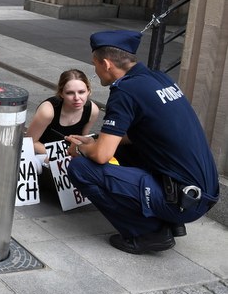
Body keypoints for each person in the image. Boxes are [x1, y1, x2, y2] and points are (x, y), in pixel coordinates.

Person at [66, 30, 219, 255]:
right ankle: (168, 220)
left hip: (183, 200)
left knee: (81, 168)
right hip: (201, 191)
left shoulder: (124, 91)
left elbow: (101, 155)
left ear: (106, 64)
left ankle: (148, 233)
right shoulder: (159, 78)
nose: (95, 71)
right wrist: (95, 140)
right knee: (124, 147)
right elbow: (142, 134)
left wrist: (80, 148)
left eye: (95, 64)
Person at [26, 69, 100, 156]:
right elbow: (30, 142)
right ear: (61, 93)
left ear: (88, 91)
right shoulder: (48, 111)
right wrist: (61, 155)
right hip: (42, 154)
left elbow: (83, 139)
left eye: (81, 92)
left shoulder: (92, 110)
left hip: (70, 155)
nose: (77, 98)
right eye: (70, 93)